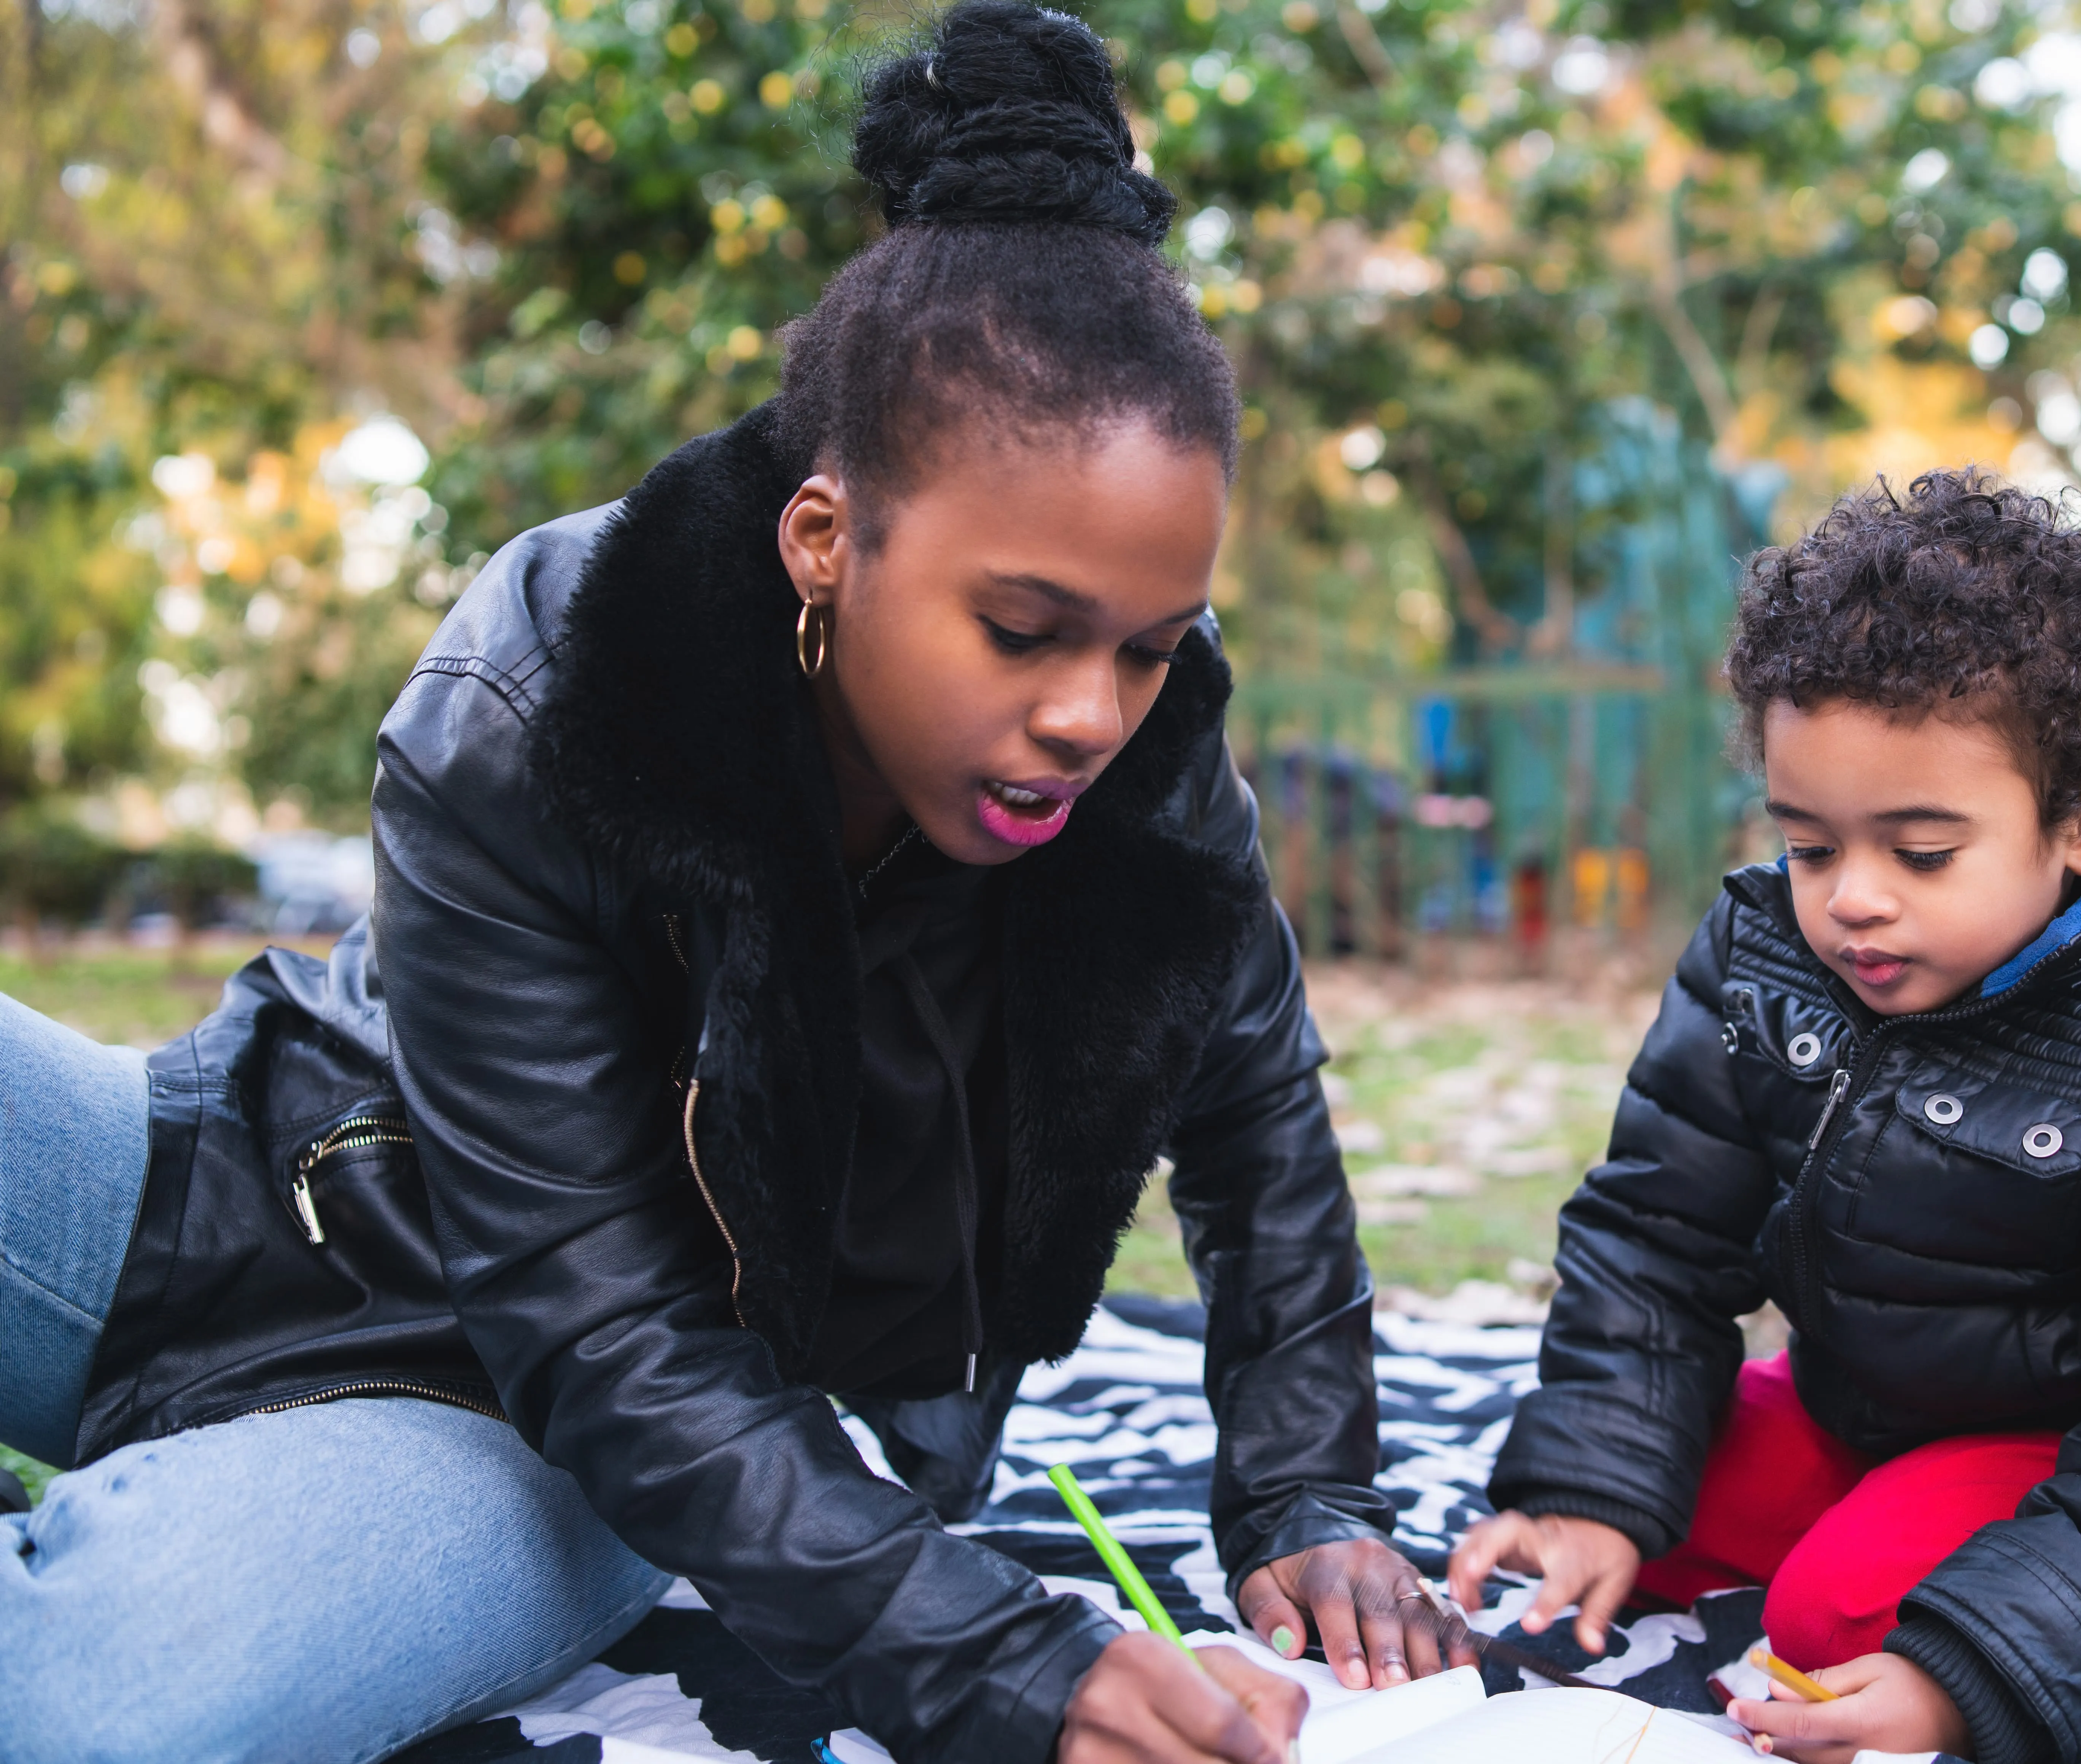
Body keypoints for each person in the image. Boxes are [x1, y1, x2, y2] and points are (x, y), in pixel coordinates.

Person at [0, 8, 1468, 1760]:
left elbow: (1257, 1130)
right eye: (1021, 630)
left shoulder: (1146, 768)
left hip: (564, 1431)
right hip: (227, 1198)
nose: (1090, 712)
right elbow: (536, 1217)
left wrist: (1305, 1491)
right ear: (826, 541)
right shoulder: (550, 681)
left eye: (1149, 646)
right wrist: (1002, 1656)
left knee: (101, 1703)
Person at [1446, 470, 2081, 1764]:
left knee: (1836, 1612)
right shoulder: (1761, 951)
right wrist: (1590, 1492)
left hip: (2078, 1454)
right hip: (1851, 1407)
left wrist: (1970, 1672)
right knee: (1626, 1510)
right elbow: (1655, 1237)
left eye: (1919, 851)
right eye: (1812, 844)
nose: (1850, 901)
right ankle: (1854, 1515)